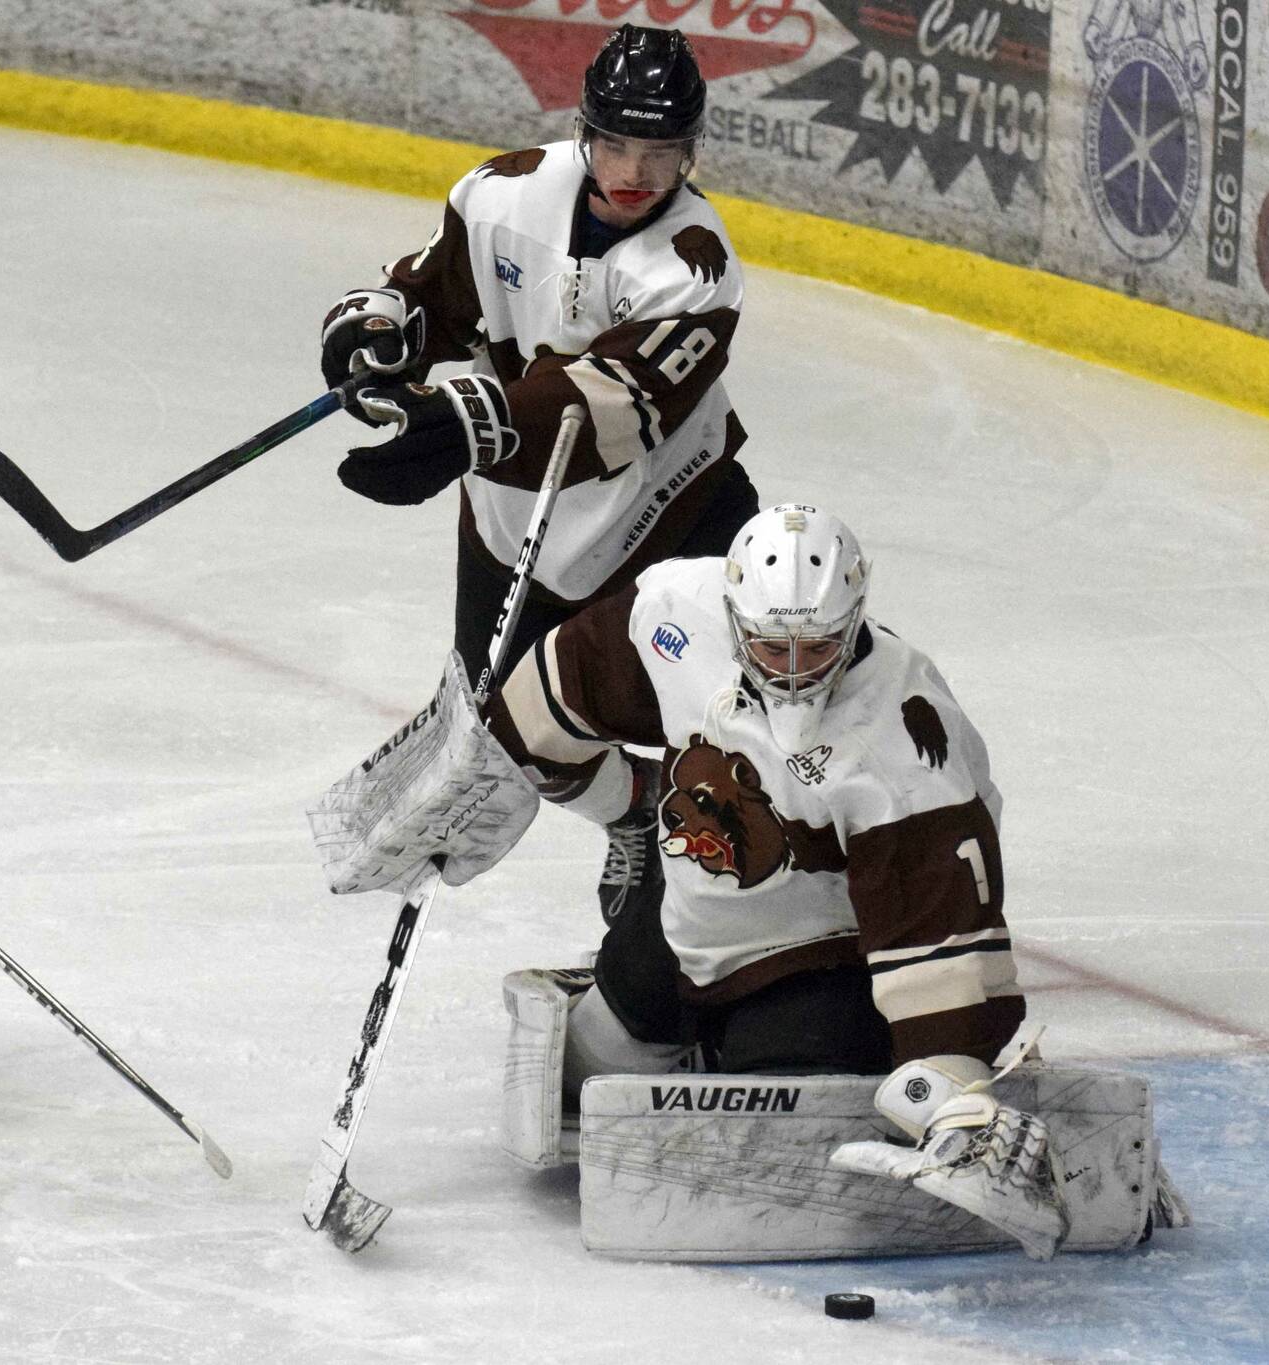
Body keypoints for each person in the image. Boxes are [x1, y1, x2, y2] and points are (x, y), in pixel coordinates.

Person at [483, 503, 1059, 1251]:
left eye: (813, 648)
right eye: (768, 644)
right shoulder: (677, 619)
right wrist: (481, 770)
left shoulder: (903, 733)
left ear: (855, 620)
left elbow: (935, 927)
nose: (788, 670)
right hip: (682, 916)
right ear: (731, 614)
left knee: (773, 1121)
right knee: (585, 1073)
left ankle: (778, 1044)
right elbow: (558, 693)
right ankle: (699, 1030)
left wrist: (953, 1092)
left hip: (814, 954)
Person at [317, 23, 759, 925]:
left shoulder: (697, 269)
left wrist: (466, 423)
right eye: (616, 145)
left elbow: (616, 409)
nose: (635, 173)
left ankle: (740, 880)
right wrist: (379, 331)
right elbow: (434, 295)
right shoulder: (502, 194)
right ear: (584, 131)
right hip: (511, 517)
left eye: (662, 152)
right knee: (509, 733)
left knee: (723, 716)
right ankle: (632, 812)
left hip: (674, 511)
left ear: (691, 154)